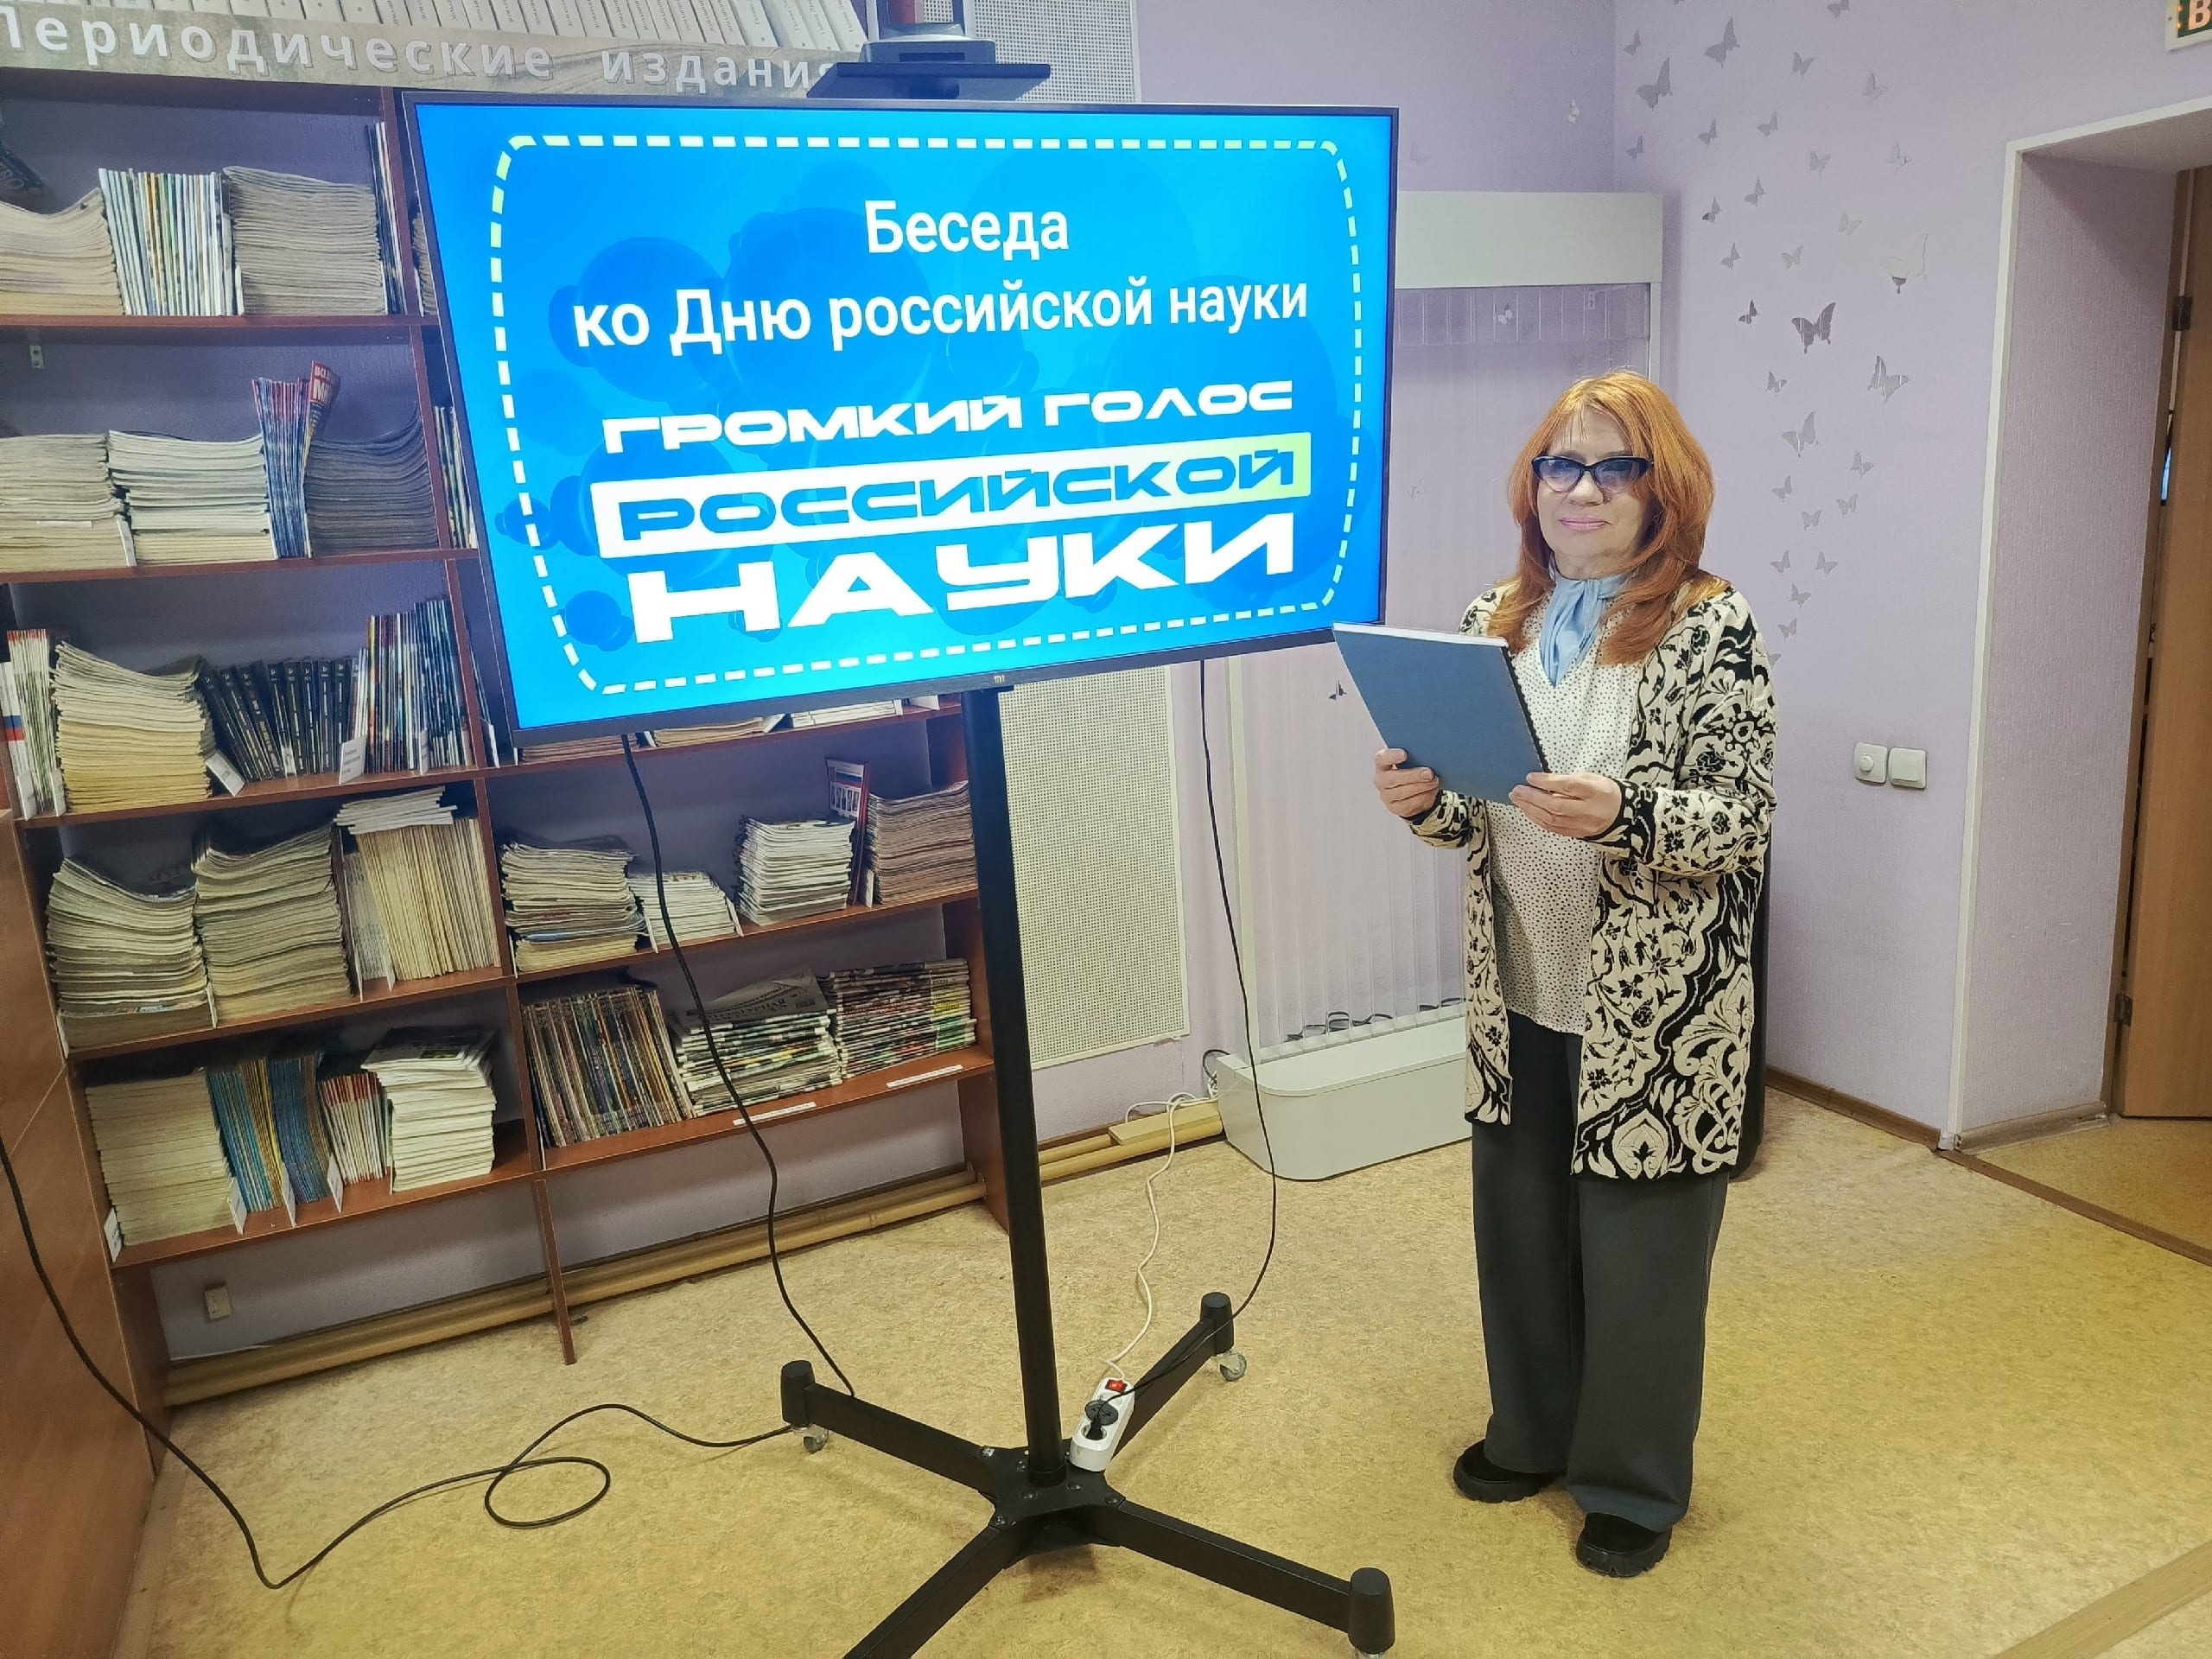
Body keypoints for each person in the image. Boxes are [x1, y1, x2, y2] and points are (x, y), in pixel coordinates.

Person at [1370, 371, 1776, 1579]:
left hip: (1658, 1018)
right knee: (1522, 1232)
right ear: (1532, 486)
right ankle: (1532, 1432)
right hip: (1520, 989)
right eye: (1561, 464)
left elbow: (1740, 821)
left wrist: (1625, 815)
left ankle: (1631, 1482)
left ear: (1664, 489)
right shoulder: (1496, 615)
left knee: (1641, 1259)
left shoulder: (1711, 625)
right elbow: (1473, 812)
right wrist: (1423, 801)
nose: (1582, 488)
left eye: (1614, 466)